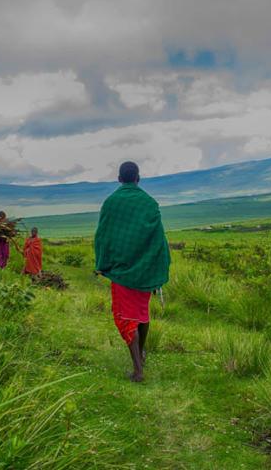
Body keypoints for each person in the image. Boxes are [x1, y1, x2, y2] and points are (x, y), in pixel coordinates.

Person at [94, 161, 170, 382]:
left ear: (119, 178)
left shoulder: (111, 203)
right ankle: (141, 354)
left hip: (122, 272)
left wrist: (103, 263)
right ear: (138, 178)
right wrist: (155, 268)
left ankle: (138, 370)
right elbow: (158, 239)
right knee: (142, 314)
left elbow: (103, 236)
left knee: (127, 318)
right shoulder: (149, 203)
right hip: (145, 271)